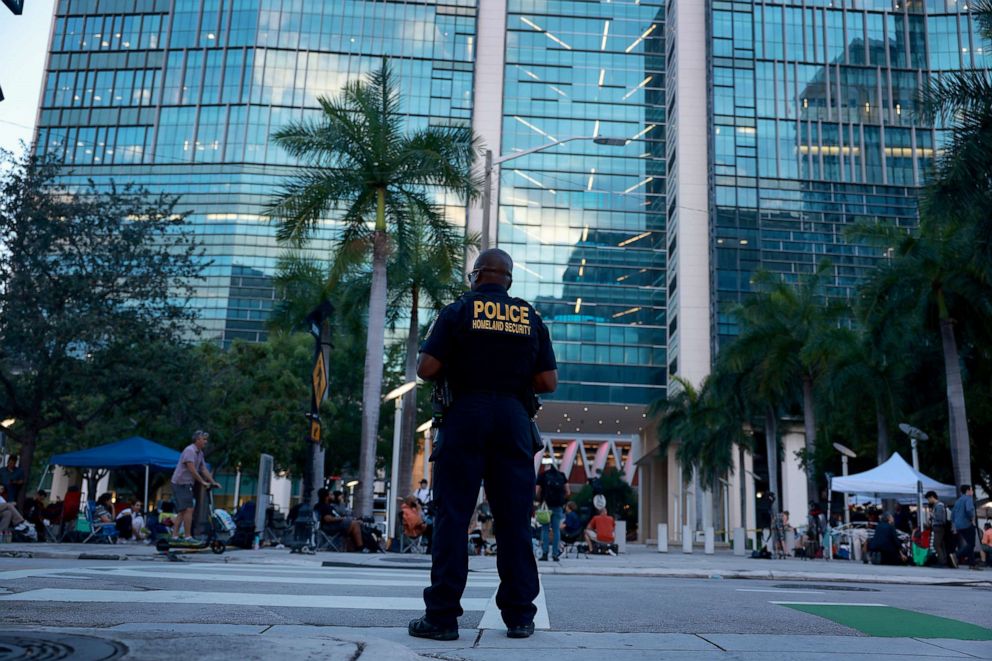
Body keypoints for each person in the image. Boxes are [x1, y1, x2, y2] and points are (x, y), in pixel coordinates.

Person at [410, 248, 558, 642]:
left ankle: (442, 618)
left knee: (453, 518)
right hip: (513, 420)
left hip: (465, 416)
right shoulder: (529, 317)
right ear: (508, 280)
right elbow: (548, 382)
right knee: (513, 522)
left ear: (476, 277)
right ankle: (520, 617)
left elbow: (426, 369)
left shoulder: (456, 311)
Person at [170, 430, 219, 542]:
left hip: (187, 484)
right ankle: (188, 536)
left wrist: (212, 482)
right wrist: (202, 482)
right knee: (189, 509)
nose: (206, 442)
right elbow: (191, 469)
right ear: (197, 440)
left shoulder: (199, 453)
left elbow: (203, 468)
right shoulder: (190, 450)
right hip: (180, 483)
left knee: (183, 511)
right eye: (204, 439)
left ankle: (174, 536)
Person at [535, 462, 569, 562]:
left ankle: (545, 553)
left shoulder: (542, 476)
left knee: (545, 530)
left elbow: (537, 491)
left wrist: (540, 500)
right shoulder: (562, 476)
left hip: (546, 507)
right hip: (558, 506)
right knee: (556, 530)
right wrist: (562, 500)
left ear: (546, 468)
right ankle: (555, 554)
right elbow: (568, 491)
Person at [951, 484, 979, 570]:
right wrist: (972, 519)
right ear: (968, 491)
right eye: (971, 490)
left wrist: (954, 525)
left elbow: (953, 514)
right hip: (967, 524)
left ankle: (972, 564)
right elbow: (969, 510)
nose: (972, 492)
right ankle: (956, 555)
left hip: (959, 525)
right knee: (971, 544)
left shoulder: (958, 500)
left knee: (969, 544)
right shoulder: (968, 499)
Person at [926, 491, 949, 567]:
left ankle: (942, 561)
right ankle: (943, 561)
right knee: (940, 545)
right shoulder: (938, 505)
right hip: (939, 527)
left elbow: (940, 518)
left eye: (929, 499)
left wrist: (932, 515)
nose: (928, 501)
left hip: (939, 527)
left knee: (936, 544)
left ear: (932, 497)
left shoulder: (939, 506)